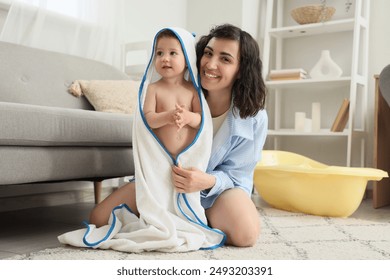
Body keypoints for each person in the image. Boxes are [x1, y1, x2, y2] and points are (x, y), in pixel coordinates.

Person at [89, 24, 268, 247]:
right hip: (162, 180)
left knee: (246, 235)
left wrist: (207, 182)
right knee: (99, 220)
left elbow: (240, 175)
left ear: (241, 69)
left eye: (225, 59)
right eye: (208, 54)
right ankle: (175, 216)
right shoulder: (180, 88)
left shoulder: (253, 117)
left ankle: (197, 217)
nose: (211, 64)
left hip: (215, 190)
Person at [143, 29, 202, 159]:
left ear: (188, 60)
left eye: (173, 53)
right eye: (159, 53)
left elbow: (201, 120)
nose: (164, 58)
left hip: (188, 157)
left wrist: (188, 117)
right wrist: (167, 117)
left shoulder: (193, 90)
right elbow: (148, 119)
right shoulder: (153, 89)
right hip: (160, 156)